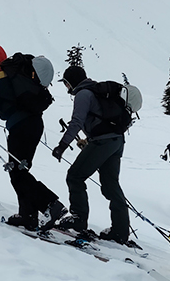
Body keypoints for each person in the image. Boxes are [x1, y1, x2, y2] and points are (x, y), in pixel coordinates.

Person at [0, 44, 66, 230]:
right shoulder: (16, 71)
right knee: (21, 170)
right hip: (35, 125)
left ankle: (51, 205)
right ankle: (27, 216)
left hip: (20, 127)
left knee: (17, 173)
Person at [51, 65, 130, 244]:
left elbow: (76, 122)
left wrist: (62, 146)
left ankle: (78, 219)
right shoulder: (96, 91)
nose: (66, 88)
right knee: (111, 184)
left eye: (66, 83)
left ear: (71, 82)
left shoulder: (83, 94)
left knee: (75, 176)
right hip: (116, 141)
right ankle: (120, 231)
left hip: (102, 142)